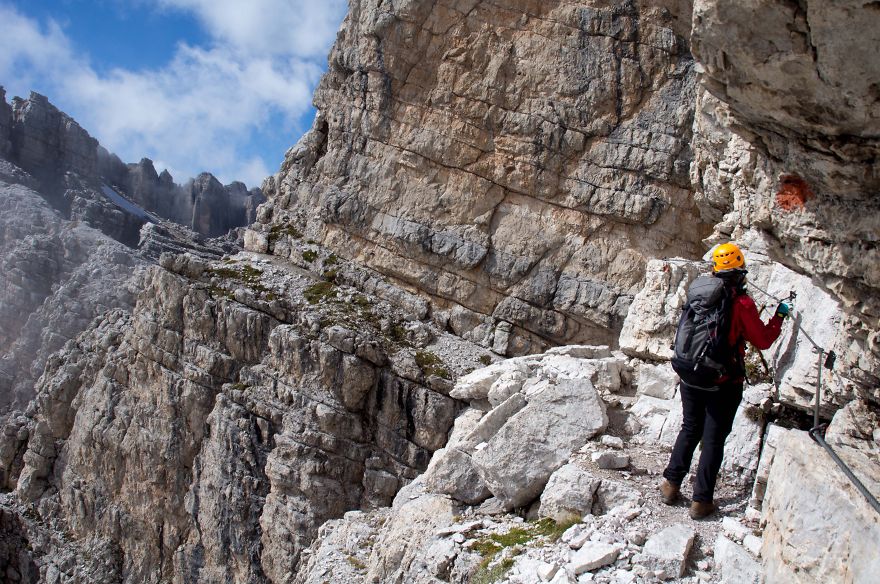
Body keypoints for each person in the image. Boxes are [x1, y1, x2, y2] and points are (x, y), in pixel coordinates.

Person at [660, 242, 789, 519]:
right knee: (713, 439)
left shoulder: (699, 292)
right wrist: (779, 316)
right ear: (740, 271)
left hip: (689, 373)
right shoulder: (741, 303)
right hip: (722, 381)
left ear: (716, 270)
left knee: (690, 428)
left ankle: (671, 485)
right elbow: (763, 340)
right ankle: (701, 501)